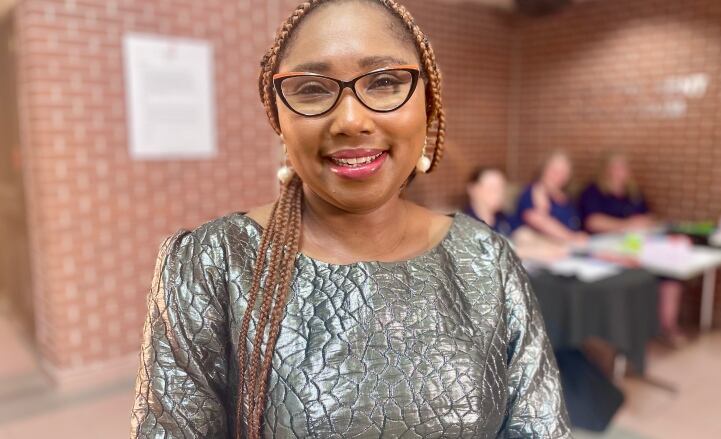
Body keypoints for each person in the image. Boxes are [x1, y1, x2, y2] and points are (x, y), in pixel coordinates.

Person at [130, 1, 571, 438]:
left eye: (383, 81)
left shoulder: (486, 260)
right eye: (311, 88)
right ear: (278, 117)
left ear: (428, 103)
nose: (350, 120)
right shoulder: (212, 263)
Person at [579, 150, 685, 345]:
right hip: (605, 247)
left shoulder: (633, 193)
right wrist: (627, 224)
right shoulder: (593, 192)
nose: (621, 171)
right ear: (606, 170)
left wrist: (644, 221)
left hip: (634, 244)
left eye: (624, 167)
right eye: (616, 167)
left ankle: (667, 326)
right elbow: (593, 221)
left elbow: (647, 217)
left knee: (669, 273)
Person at [511, 150, 588, 246]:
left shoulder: (565, 196)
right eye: (554, 171)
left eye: (564, 172)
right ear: (543, 170)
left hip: (569, 248)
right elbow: (537, 220)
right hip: (544, 250)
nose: (559, 176)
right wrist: (571, 238)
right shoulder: (534, 192)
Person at [463, 167, 515, 236]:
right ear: (473, 190)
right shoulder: (463, 224)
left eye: (502, 188)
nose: (499, 194)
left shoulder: (504, 219)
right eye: (492, 188)